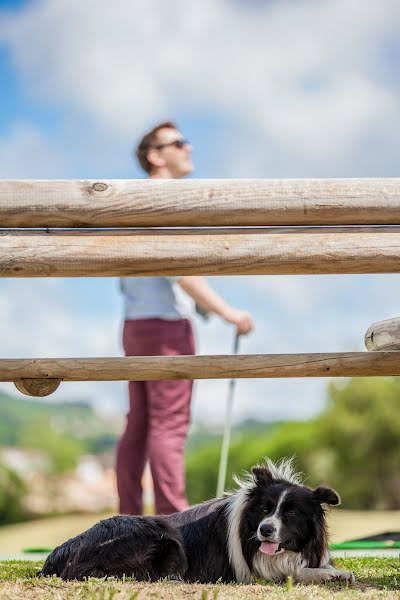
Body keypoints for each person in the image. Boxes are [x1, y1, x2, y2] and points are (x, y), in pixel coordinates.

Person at [116, 121, 254, 516]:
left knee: (139, 424)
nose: (189, 147)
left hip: (135, 325)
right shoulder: (164, 200)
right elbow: (178, 268)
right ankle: (174, 521)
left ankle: (127, 518)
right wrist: (230, 314)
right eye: (177, 143)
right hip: (166, 327)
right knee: (169, 426)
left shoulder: (131, 202)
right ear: (155, 156)